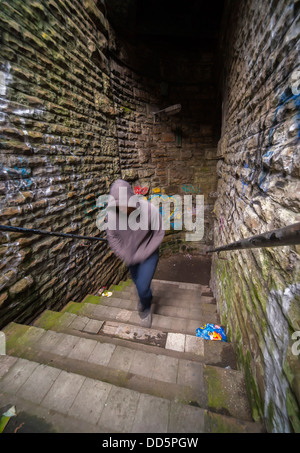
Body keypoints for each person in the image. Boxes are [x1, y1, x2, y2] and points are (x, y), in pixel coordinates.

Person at [105, 179, 165, 328]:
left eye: (125, 203)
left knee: (143, 287)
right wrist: (124, 254)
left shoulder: (149, 210)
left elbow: (159, 233)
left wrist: (145, 252)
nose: (123, 208)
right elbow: (112, 237)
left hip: (148, 255)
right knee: (139, 285)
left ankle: (145, 309)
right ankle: (146, 298)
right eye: (119, 205)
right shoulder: (112, 216)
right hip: (130, 258)